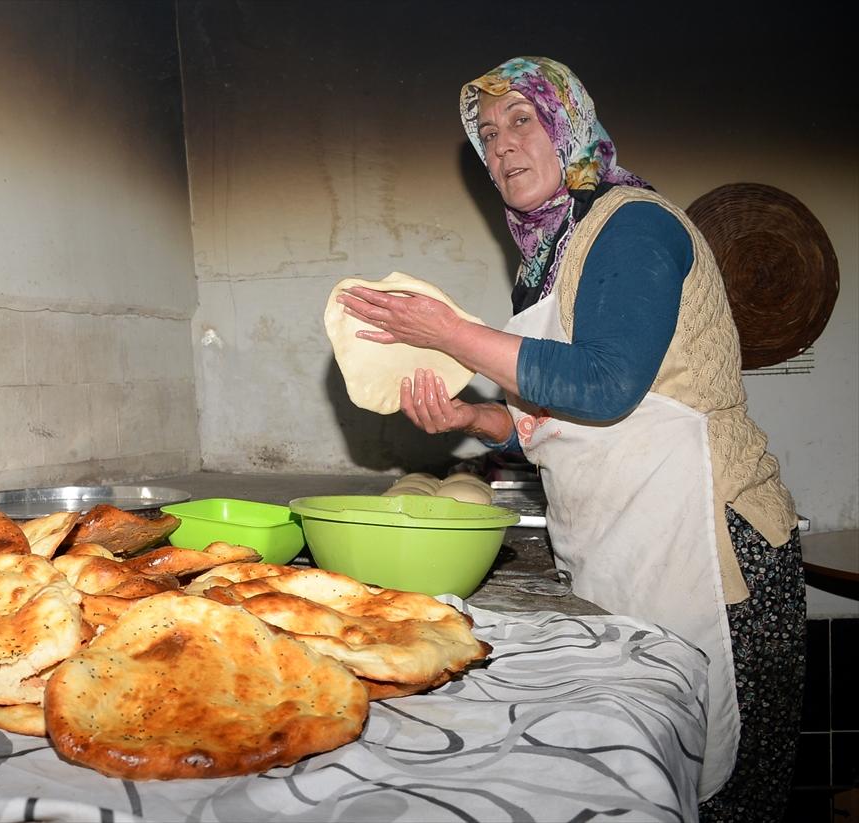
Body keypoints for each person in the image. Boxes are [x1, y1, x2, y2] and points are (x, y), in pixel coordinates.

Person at [335, 56, 805, 822]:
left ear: (568, 124)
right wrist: (472, 420)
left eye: (521, 120)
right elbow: (563, 430)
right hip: (621, 546)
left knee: (725, 796)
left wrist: (450, 333)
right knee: (639, 776)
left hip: (713, 549)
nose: (502, 146)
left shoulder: (634, 226)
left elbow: (607, 383)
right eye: (487, 135)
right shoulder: (547, 262)